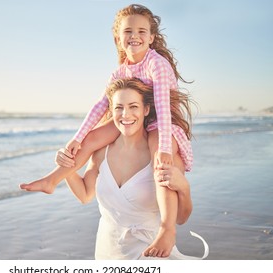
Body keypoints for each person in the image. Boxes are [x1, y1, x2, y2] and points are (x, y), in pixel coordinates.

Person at [20, 4, 193, 257]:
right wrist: (76, 139)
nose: (135, 36)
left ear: (152, 38)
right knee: (91, 138)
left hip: (159, 120)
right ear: (118, 38)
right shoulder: (120, 71)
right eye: (128, 31)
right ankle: (52, 179)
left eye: (142, 31)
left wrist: (165, 148)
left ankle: (167, 229)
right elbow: (100, 105)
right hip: (132, 113)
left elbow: (163, 108)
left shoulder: (156, 64)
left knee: (159, 161)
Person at [55, 78, 208, 259]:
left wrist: (184, 187)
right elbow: (85, 194)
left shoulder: (162, 156)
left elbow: (181, 218)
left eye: (133, 106)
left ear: (146, 110)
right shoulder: (101, 152)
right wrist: (66, 166)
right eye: (119, 107)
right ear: (112, 111)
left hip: (150, 252)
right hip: (107, 251)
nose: (125, 114)